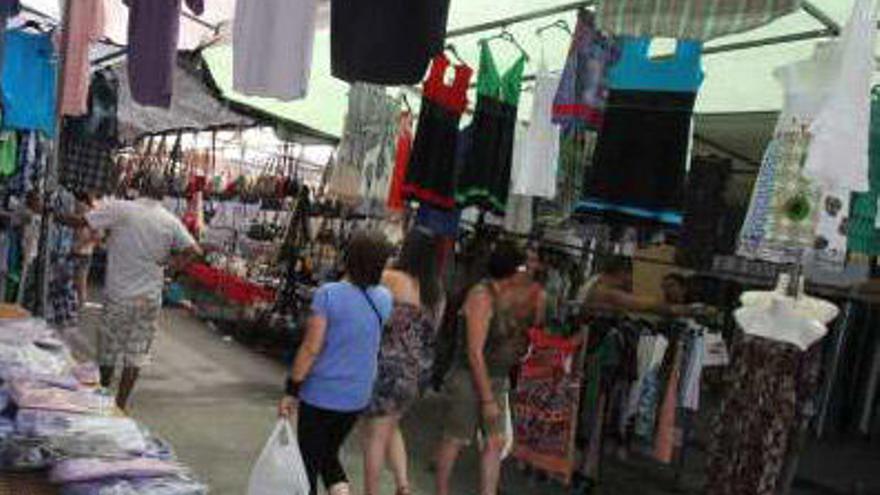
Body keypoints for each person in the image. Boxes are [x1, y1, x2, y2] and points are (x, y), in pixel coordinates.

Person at [59, 171, 202, 410]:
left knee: (108, 351)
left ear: (140, 188)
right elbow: (195, 251)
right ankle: (121, 405)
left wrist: (50, 214)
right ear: (163, 194)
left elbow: (82, 222)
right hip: (149, 299)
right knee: (136, 354)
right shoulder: (169, 220)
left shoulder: (122, 209)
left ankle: (103, 398)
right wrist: (170, 270)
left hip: (120, 296)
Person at [279, 231, 393, 495]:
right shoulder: (384, 298)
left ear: (348, 257)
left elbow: (311, 348)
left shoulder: (328, 294)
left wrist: (291, 389)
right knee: (328, 455)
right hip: (357, 395)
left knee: (309, 462)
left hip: (321, 394)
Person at [434, 240, 530, 495]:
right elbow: (474, 352)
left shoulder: (501, 295)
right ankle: (441, 490)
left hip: (495, 377)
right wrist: (487, 399)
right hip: (469, 378)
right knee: (456, 437)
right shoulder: (481, 295)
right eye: (522, 267)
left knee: (495, 440)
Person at [362, 227, 444, 495]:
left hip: (387, 368)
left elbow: (366, 301)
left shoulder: (391, 278)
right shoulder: (437, 293)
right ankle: (403, 485)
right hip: (416, 373)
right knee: (391, 426)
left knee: (375, 434)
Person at [581, 256, 696, 317]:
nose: (631, 280)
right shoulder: (606, 292)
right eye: (630, 275)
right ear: (622, 272)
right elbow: (639, 303)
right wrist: (680, 310)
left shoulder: (596, 281)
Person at [72, 192, 100, 308]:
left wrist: (81, 245)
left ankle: (80, 302)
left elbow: (97, 235)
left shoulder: (89, 213)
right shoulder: (92, 212)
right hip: (82, 251)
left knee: (80, 278)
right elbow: (97, 236)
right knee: (80, 279)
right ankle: (79, 302)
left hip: (82, 251)